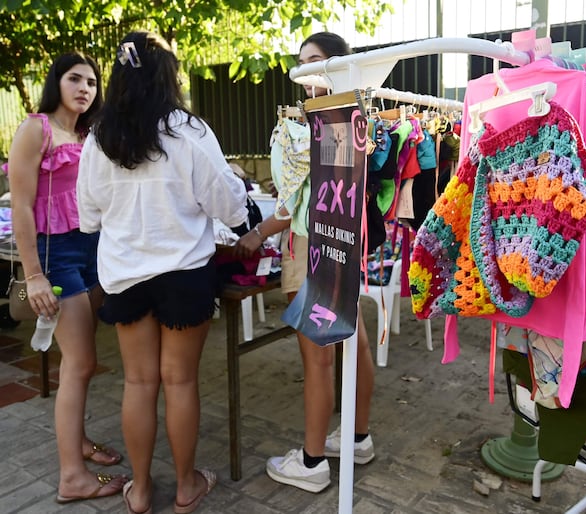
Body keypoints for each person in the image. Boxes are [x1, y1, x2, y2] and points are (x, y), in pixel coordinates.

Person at [77, 31, 248, 513]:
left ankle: (142, 490)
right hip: (183, 273)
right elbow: (228, 204)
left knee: (139, 383)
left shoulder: (99, 136)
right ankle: (187, 486)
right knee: (179, 382)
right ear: (168, 76)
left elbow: (88, 217)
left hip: (124, 274)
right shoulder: (188, 130)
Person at [234, 31, 376, 493]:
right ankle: (358, 438)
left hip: (309, 246)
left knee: (319, 359)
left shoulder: (311, 124)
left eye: (314, 61)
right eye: (301, 63)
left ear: (338, 64)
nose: (304, 72)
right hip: (344, 245)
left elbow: (294, 201)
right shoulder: (357, 118)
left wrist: (257, 233)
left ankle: (313, 462)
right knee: (355, 344)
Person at [5, 51, 129, 504]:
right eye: (75, 79)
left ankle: (76, 442)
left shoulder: (88, 133)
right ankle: (71, 477)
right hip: (54, 257)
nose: (84, 89)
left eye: (92, 83)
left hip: (93, 252)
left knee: (84, 361)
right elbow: (20, 206)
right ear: (57, 81)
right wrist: (33, 275)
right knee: (79, 362)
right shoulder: (34, 128)